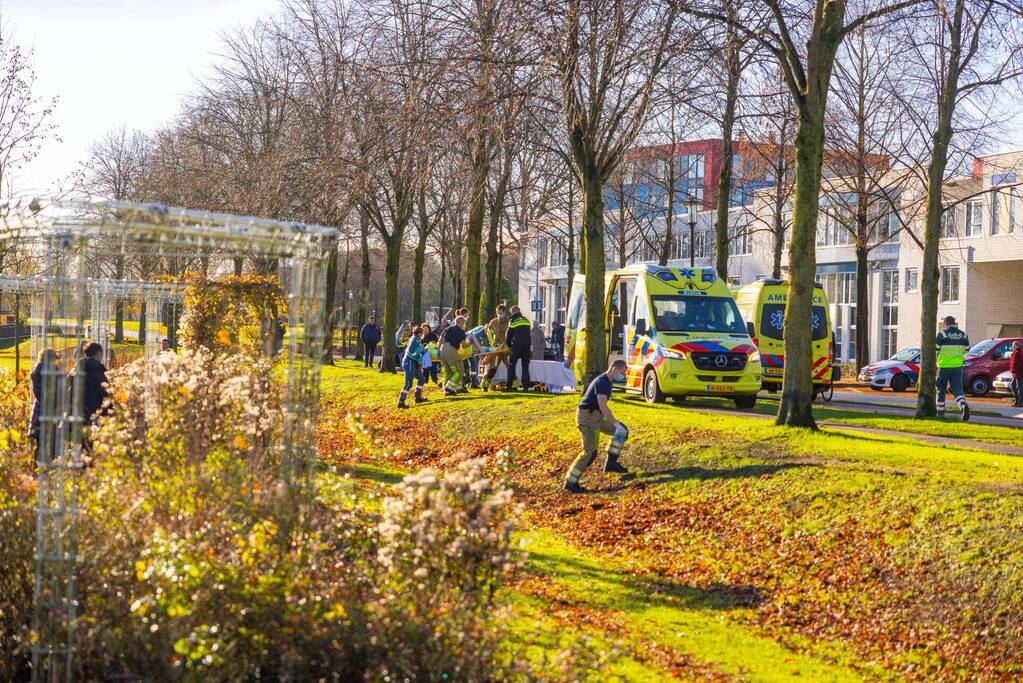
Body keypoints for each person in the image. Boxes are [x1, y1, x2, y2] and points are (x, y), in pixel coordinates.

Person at [564, 359, 630, 493]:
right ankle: (570, 482)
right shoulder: (602, 383)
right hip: (587, 419)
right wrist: (615, 424)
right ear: (614, 369)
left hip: (597, 417)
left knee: (623, 432)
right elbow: (603, 406)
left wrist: (618, 427)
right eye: (622, 373)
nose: (623, 376)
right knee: (590, 452)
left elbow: (601, 408)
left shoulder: (607, 382)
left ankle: (611, 463)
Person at [935, 315, 970, 421]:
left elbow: (936, 349)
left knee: (940, 389)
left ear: (945, 324)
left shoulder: (942, 334)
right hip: (957, 367)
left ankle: (940, 412)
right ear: (954, 323)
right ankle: (963, 405)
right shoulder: (964, 335)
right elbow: (967, 350)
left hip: (943, 367)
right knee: (957, 390)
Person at [397, 324, 429, 409]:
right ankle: (401, 401)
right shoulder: (416, 339)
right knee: (408, 383)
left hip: (413, 362)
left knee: (421, 378)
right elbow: (412, 351)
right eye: (422, 333)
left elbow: (417, 352)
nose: (423, 335)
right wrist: (422, 350)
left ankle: (417, 397)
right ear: (419, 333)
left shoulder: (417, 340)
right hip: (409, 362)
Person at [79, 342, 110, 427]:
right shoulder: (99, 371)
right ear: (98, 354)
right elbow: (105, 393)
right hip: (97, 412)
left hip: (80, 412)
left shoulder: (78, 369)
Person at [482, 305, 511, 391]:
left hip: (506, 349)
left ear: (505, 313)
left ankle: (513, 384)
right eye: (498, 313)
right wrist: (493, 343)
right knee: (493, 367)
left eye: (501, 313)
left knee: (510, 367)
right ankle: (485, 384)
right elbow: (489, 334)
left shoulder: (510, 322)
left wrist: (508, 344)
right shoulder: (493, 322)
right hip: (496, 349)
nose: (499, 314)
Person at [505, 305, 532, 391]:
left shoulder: (513, 320)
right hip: (527, 346)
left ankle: (509, 386)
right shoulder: (527, 320)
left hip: (516, 346)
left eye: (511, 312)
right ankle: (526, 387)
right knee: (525, 367)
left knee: (512, 366)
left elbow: (508, 334)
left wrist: (508, 345)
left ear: (513, 312)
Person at [439, 315, 469, 395]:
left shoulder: (447, 329)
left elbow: (440, 340)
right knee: (459, 371)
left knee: (449, 371)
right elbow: (464, 345)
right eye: (464, 323)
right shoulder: (461, 331)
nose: (464, 325)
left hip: (443, 349)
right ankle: (449, 388)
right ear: (461, 322)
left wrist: (439, 352)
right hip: (451, 350)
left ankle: (449, 390)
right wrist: (470, 342)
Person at [1010, 340, 1023, 408]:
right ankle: (1017, 401)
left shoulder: (1017, 353)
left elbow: (1015, 363)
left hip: (1018, 372)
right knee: (1013, 385)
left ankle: (1020, 402)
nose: (1012, 347)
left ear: (1015, 346)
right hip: (1017, 372)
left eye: (1012, 346)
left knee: (1019, 387)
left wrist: (1013, 369)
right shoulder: (1017, 352)